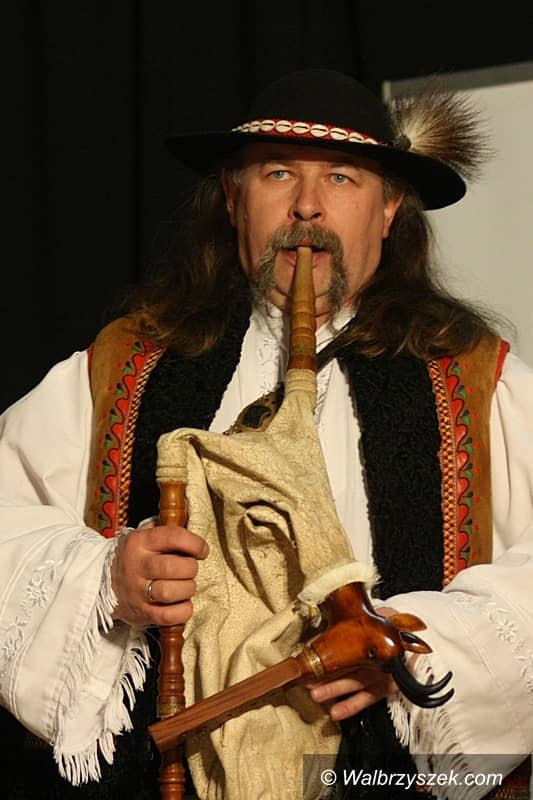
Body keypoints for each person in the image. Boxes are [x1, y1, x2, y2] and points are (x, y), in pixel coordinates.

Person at [0, 67, 532, 800]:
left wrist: (415, 646)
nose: (307, 206)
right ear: (232, 198)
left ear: (388, 209)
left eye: (341, 178)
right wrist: (107, 580)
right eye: (279, 173)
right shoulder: (125, 366)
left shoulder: (474, 380)